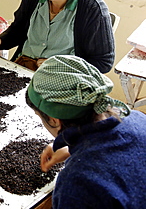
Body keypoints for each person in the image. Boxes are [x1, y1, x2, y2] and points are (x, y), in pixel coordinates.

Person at [25, 55, 146, 208]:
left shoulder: (77, 184)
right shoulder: (136, 118)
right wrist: (73, 149)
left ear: (53, 119)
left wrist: (83, 154)